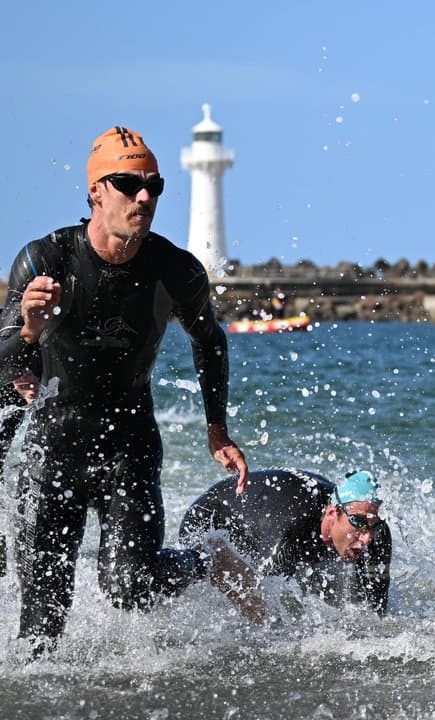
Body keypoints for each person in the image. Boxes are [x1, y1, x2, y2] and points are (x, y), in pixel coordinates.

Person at [0, 126, 249, 655]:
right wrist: (27, 330)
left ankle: (204, 558)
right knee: (40, 629)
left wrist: (217, 428)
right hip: (52, 450)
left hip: (128, 448)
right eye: (128, 184)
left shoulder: (176, 270)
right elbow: (3, 367)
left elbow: (211, 341)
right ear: (95, 191)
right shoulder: (45, 261)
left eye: (154, 186)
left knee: (130, 588)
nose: (144, 197)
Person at [180, 469, 391, 615]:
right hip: (207, 521)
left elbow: (376, 608)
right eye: (359, 524)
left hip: (271, 514)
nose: (366, 538)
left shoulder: (375, 534)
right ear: (332, 513)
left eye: (374, 526)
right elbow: (264, 596)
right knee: (263, 610)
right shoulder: (291, 533)